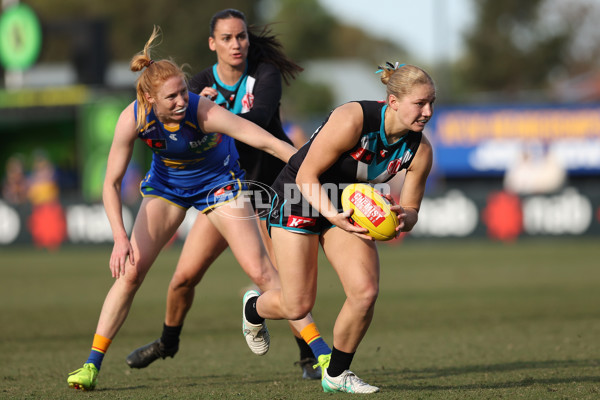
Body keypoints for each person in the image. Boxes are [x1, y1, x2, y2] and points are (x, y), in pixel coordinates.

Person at [66, 25, 323, 391]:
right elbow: (109, 183)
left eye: (182, 92)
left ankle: (322, 355)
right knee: (132, 272)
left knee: (264, 273)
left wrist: (308, 165)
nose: (181, 101)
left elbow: (264, 140)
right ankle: (91, 365)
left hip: (220, 187)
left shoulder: (202, 110)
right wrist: (119, 238)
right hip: (168, 190)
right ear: (150, 99)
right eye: (171, 98)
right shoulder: (133, 118)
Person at [241, 63, 435, 394]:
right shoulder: (353, 119)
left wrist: (404, 217)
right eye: (420, 103)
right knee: (297, 305)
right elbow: (305, 176)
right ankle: (253, 308)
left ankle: (337, 372)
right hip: (298, 195)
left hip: (345, 205)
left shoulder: (420, 150)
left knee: (365, 292)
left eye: (432, 102)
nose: (427, 112)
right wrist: (333, 215)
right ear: (393, 102)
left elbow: (413, 209)